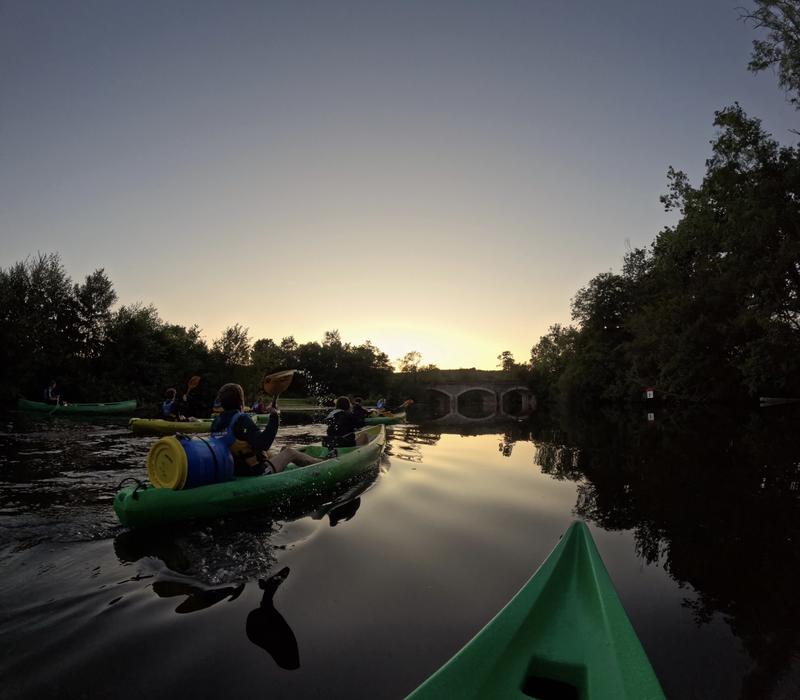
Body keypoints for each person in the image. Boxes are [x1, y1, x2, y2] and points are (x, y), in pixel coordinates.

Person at [211, 383, 322, 476]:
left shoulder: (216, 422)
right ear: (241, 401)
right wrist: (274, 416)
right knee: (289, 452)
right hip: (256, 471)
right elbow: (264, 444)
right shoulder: (241, 419)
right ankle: (322, 464)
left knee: (280, 450)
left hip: (234, 470)